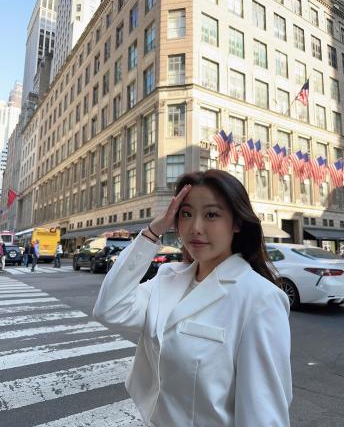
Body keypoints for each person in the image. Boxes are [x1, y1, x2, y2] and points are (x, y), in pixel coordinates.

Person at [94, 169, 292, 426]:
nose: (195, 228)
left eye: (212, 214)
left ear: (237, 223)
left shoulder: (260, 299)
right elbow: (109, 309)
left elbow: (264, 415)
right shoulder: (167, 279)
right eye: (186, 214)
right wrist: (153, 232)